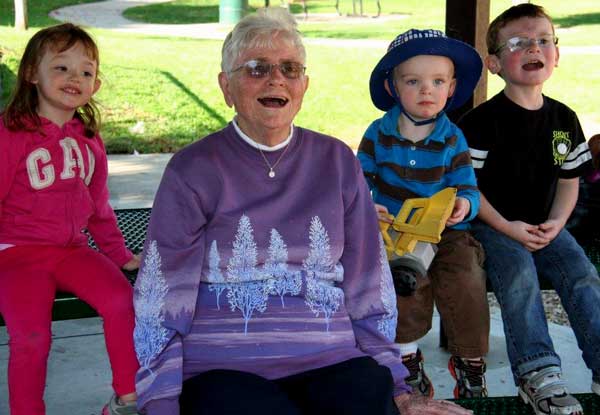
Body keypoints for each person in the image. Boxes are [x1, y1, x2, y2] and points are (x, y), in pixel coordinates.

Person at [133, 8, 472, 415]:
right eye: (257, 68)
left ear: (304, 85)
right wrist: (162, 400)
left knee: (366, 394)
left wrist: (396, 388)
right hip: (223, 368)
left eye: (290, 69)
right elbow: (161, 296)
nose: (276, 79)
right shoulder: (192, 170)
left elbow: (368, 284)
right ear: (227, 87)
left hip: (330, 359)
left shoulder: (336, 161)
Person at [458, 4, 600, 414]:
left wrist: (557, 223)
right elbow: (467, 186)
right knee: (519, 277)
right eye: (518, 43)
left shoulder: (564, 118)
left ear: (556, 53)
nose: (533, 48)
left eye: (542, 40)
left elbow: (570, 180)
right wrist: (505, 225)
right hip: (491, 225)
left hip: (546, 225)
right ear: (495, 62)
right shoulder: (483, 121)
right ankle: (537, 373)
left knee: (583, 275)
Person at [0, 23, 141, 415]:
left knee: (120, 301)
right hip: (16, 254)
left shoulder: (89, 139)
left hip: (72, 250)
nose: (74, 78)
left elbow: (98, 206)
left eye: (86, 71)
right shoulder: (10, 134)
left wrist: (118, 254)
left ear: (95, 84)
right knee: (31, 336)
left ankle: (127, 398)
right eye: (61, 67)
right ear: (32, 73)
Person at [357, 29, 489, 399]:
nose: (426, 90)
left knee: (466, 274)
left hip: (446, 229)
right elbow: (357, 180)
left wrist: (465, 204)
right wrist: (368, 203)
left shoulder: (452, 138)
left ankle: (469, 358)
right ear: (393, 87)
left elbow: (467, 186)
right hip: (395, 229)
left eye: (437, 81)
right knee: (402, 279)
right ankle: (407, 357)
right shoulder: (378, 134)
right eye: (413, 81)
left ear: (451, 88)